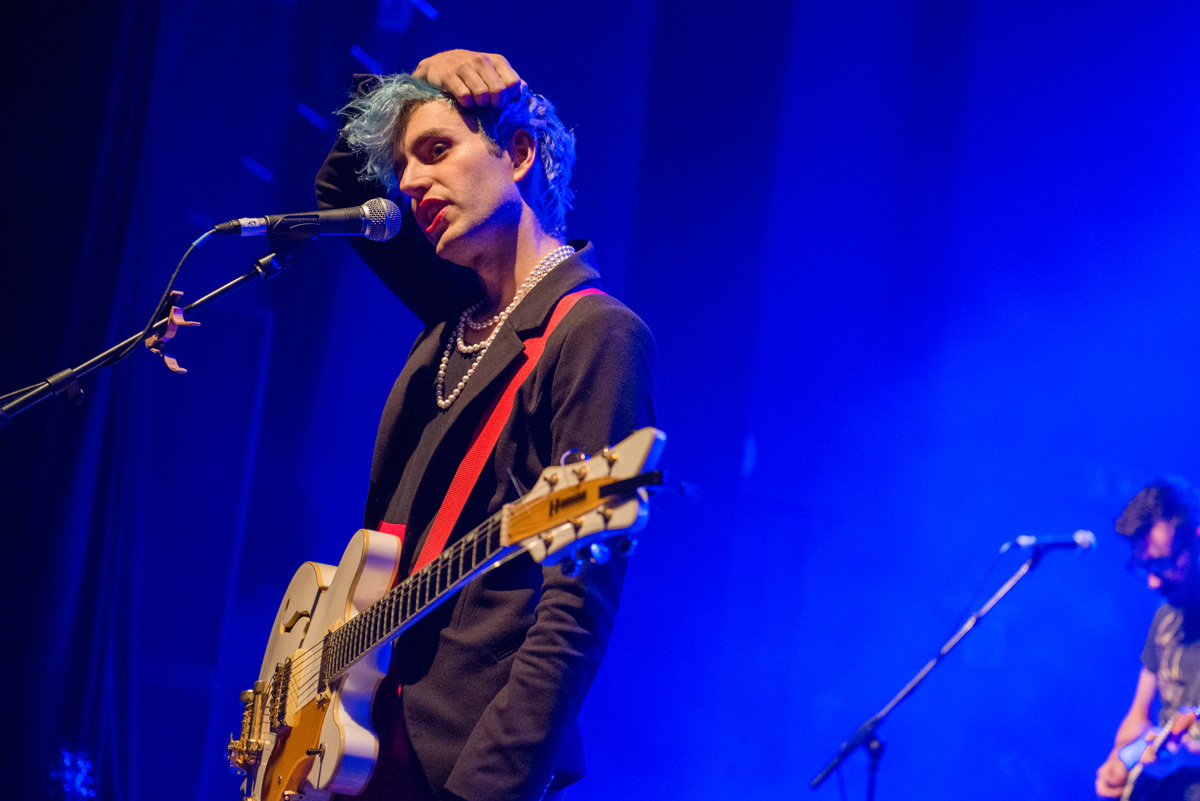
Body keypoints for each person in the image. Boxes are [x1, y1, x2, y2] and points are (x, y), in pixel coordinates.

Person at [314, 50, 656, 801]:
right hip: (362, 734)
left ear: (521, 153)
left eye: (436, 150)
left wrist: (486, 789)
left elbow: (576, 611)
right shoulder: (455, 312)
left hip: (457, 764)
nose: (408, 183)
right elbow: (342, 184)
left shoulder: (594, 334)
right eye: (405, 162)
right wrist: (414, 74)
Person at [1096, 479, 1200, 800]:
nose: (1153, 581)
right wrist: (1117, 762)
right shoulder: (1165, 617)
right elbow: (1139, 714)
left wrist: (1189, 754)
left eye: (1165, 564)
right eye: (1144, 567)